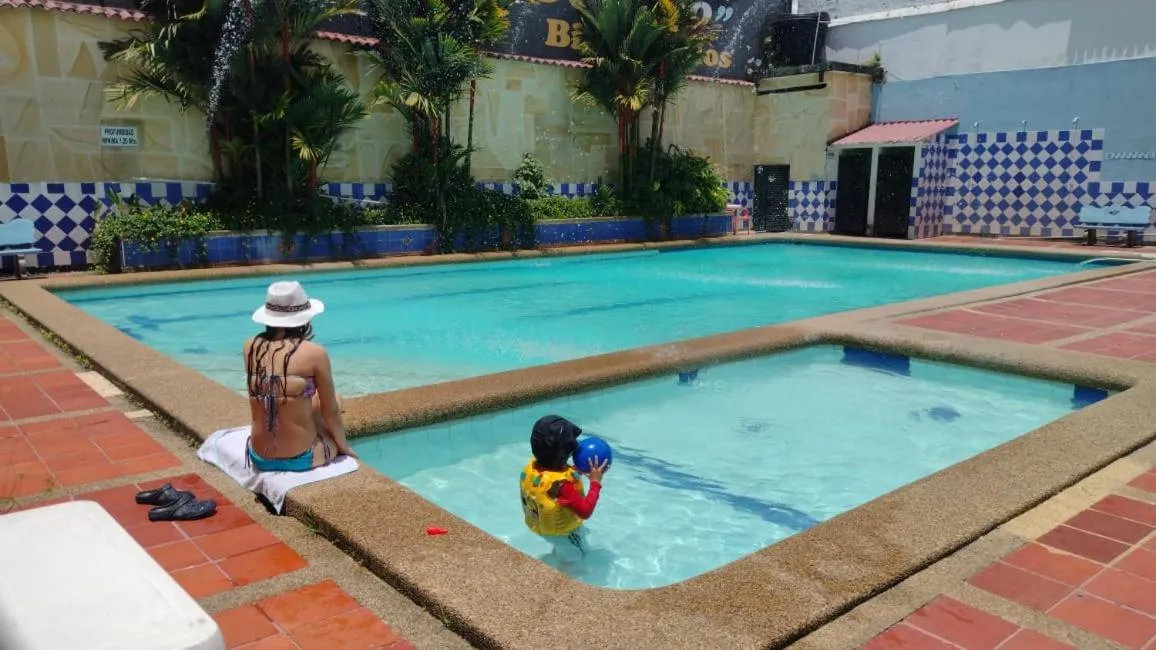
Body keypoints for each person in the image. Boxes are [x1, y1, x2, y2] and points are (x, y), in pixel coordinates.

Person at [244, 280, 356, 472]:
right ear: (303, 318)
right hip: (302, 457)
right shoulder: (315, 353)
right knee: (334, 401)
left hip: (258, 456)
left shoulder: (250, 347)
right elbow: (331, 411)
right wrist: (344, 448)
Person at [519, 415, 609, 560]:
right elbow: (585, 511)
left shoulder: (534, 467)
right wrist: (595, 482)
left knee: (562, 550)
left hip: (543, 529)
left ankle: (555, 561)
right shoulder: (562, 486)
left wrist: (576, 470)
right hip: (564, 533)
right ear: (561, 454)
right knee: (578, 557)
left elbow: (553, 478)